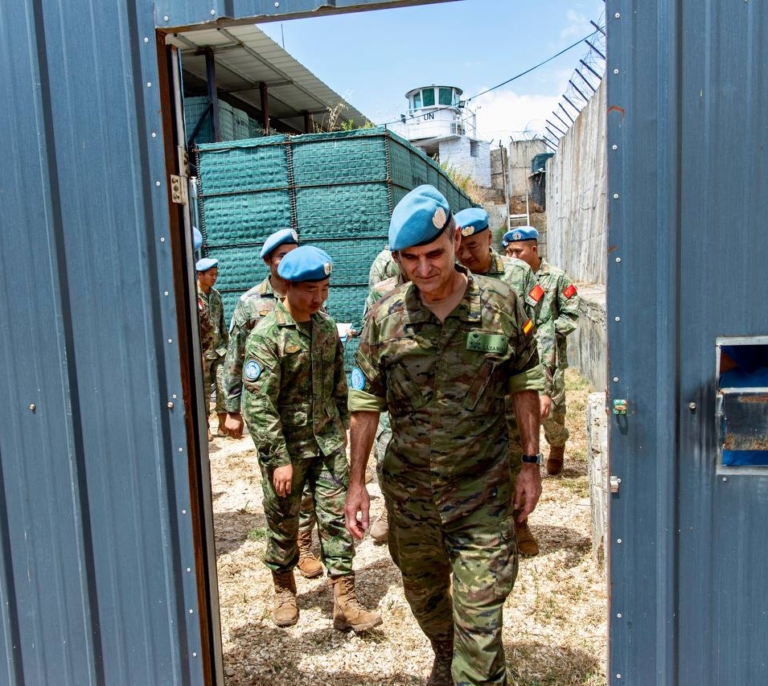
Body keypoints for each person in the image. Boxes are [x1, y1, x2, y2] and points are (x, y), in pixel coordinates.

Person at [345, 185, 544, 685]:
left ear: (456, 241)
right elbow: (366, 402)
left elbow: (524, 382)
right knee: (425, 595)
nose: (425, 268)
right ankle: (442, 651)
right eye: (410, 259)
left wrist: (530, 463)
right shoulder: (385, 316)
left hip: (482, 492)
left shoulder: (501, 302)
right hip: (411, 496)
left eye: (434, 253)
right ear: (395, 259)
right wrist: (355, 484)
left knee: (481, 627)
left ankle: (471, 668)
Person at [242, 245, 382, 632]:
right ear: (287, 287)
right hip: (288, 451)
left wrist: (342, 434)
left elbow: (340, 390)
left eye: (324, 288)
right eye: (309, 290)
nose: (318, 297)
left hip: (327, 446)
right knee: (283, 521)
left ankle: (345, 600)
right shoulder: (267, 336)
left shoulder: (325, 328)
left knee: (339, 518)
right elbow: (259, 406)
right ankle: (284, 587)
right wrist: (278, 458)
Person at [221, 228, 322, 579]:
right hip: (270, 413)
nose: (289, 261)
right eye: (282, 256)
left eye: (294, 253)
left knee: (308, 487)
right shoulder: (251, 303)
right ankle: (284, 561)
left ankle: (305, 543)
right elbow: (236, 359)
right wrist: (230, 409)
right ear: (268, 261)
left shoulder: (310, 293)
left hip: (307, 413)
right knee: (280, 488)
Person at [455, 208, 549, 556]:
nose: (466, 254)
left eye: (473, 246)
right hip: (468, 384)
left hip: (509, 380)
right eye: (460, 247)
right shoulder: (452, 275)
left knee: (515, 454)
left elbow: (535, 333)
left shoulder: (518, 273)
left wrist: (543, 387)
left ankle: (519, 523)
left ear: (489, 240)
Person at [504, 226, 580, 476]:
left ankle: (557, 444)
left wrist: (546, 331)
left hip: (550, 357)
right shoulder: (510, 276)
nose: (512, 256)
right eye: (509, 251)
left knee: (552, 412)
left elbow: (571, 314)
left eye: (518, 251)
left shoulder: (556, 278)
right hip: (520, 356)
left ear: (533, 249)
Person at [197, 257, 229, 437]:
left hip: (220, 349)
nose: (214, 278)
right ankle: (205, 426)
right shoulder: (192, 296)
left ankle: (223, 424)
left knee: (223, 385)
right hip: (202, 353)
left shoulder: (216, 296)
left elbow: (222, 322)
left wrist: (229, 345)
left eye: (216, 274)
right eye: (211, 274)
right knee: (204, 392)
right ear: (199, 275)